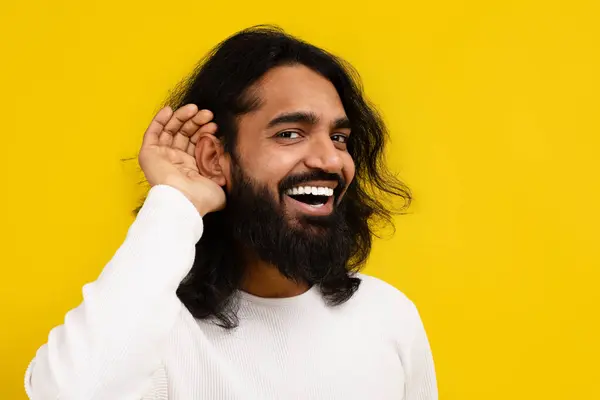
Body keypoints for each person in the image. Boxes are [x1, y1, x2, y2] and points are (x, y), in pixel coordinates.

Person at [25, 25, 438, 399]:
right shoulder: (158, 332)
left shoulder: (387, 315)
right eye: (290, 133)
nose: (331, 160)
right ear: (214, 158)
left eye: (339, 137)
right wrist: (176, 200)